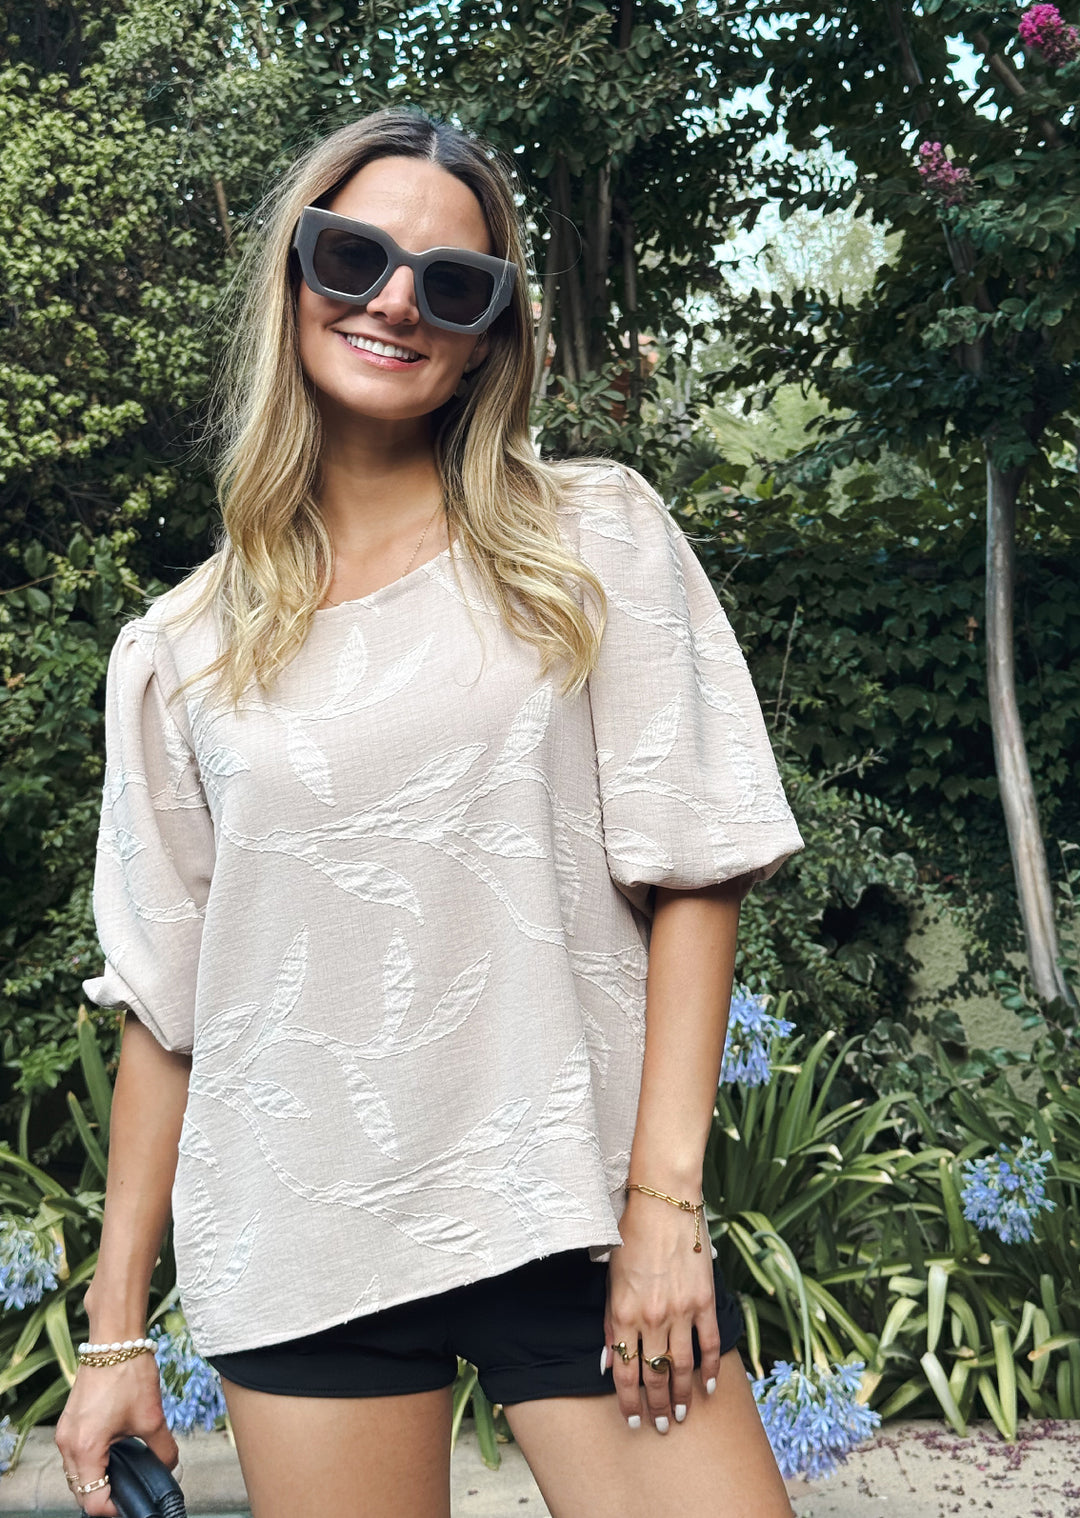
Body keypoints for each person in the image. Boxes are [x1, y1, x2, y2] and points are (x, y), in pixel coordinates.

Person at [56, 106, 804, 1518]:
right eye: (354, 257)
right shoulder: (180, 648)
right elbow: (168, 1001)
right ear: (294, 275)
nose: (395, 301)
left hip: (569, 1211)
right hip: (302, 1234)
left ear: (487, 335)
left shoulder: (591, 540)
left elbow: (697, 866)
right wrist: (111, 1337)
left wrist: (664, 1207)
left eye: (452, 283)